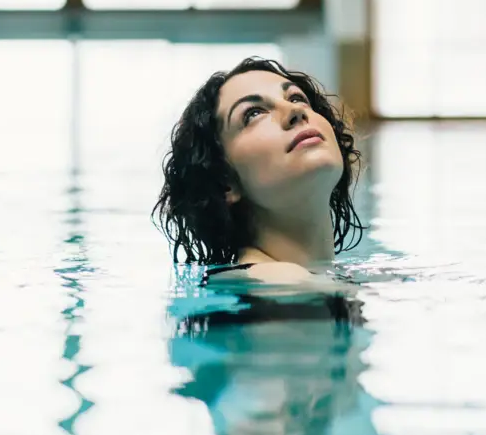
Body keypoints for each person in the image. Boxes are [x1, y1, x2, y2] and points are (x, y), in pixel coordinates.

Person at [152, 56, 365, 288]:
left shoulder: (310, 279)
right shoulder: (277, 282)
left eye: (297, 98)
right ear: (225, 181)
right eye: (254, 113)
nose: (294, 110)